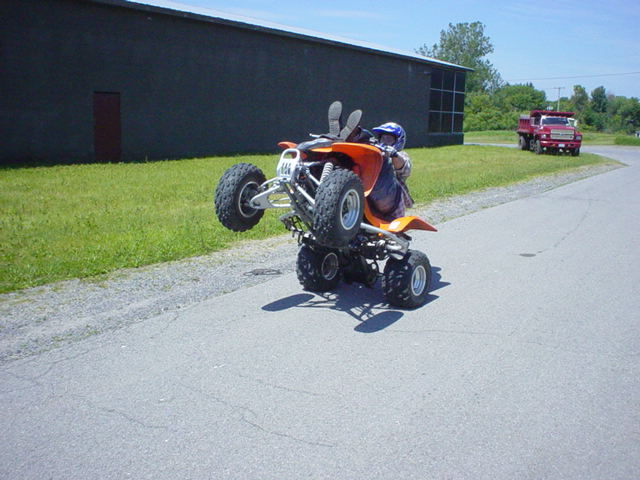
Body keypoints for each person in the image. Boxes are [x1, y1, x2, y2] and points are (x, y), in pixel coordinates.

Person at [367, 122, 414, 220]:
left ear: (398, 141)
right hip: (369, 199)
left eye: (389, 139)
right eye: (383, 138)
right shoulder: (376, 155)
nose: (385, 141)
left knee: (385, 162)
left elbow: (405, 169)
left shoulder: (401, 155)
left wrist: (393, 154)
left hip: (392, 205)